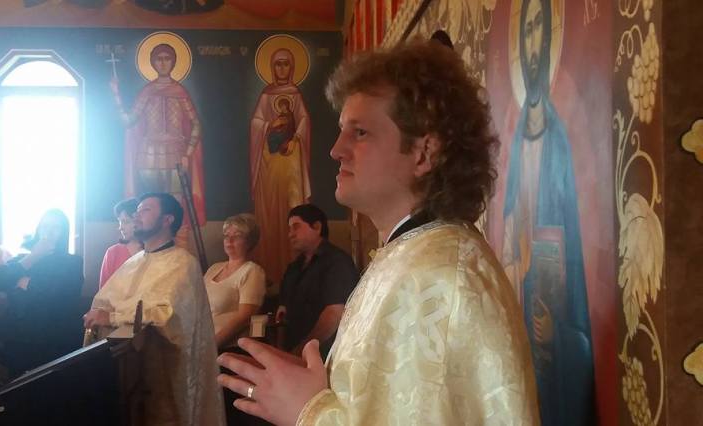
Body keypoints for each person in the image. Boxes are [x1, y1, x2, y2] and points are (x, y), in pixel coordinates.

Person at [217, 40, 539, 425]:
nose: (336, 150)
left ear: (423, 153)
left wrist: (308, 411)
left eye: (360, 132)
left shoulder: (435, 278)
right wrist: (317, 384)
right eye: (342, 130)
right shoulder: (412, 255)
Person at [501, 0, 593, 423]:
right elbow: (509, 237)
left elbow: (574, 255)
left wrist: (561, 330)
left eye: (541, 27)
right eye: (528, 30)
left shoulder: (558, 141)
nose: (534, 41)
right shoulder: (517, 142)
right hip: (523, 302)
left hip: (557, 314)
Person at [83, 193, 223, 426]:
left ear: (167, 219)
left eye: (145, 210)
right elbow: (103, 301)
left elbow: (168, 315)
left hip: (163, 374)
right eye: (137, 210)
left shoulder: (183, 263)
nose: (137, 215)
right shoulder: (133, 262)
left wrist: (112, 317)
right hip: (123, 371)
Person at [111, 43, 206, 248]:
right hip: (148, 155)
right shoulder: (147, 91)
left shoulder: (179, 91)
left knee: (175, 206)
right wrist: (116, 95)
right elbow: (128, 120)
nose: (163, 63)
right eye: (159, 59)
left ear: (174, 62)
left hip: (176, 152)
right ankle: (154, 251)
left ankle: (179, 253)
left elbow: (196, 124)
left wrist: (188, 153)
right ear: (153, 63)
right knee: (151, 208)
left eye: (167, 58)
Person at [0, 209, 84, 377]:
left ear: (64, 232)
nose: (49, 232)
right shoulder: (23, 259)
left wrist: (25, 282)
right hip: (19, 338)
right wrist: (34, 256)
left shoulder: (73, 262)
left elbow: (58, 296)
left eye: (55, 227)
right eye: (45, 226)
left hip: (55, 337)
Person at [250, 47, 311, 287]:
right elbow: (256, 123)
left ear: (292, 67)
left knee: (292, 206)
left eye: (286, 64)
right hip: (268, 162)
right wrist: (269, 125)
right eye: (278, 64)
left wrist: (295, 138)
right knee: (270, 213)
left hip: (291, 159)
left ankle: (295, 267)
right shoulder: (266, 95)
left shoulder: (296, 94)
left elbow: (304, 121)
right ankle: (271, 270)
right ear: (272, 68)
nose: (282, 68)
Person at [275, 204, 358, 358]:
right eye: (289, 229)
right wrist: (281, 352)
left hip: (325, 357)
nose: (290, 234)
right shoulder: (294, 267)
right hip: (292, 354)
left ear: (317, 227)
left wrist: (301, 351)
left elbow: (334, 314)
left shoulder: (337, 262)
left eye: (296, 227)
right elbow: (282, 313)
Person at [204, 213, 266, 351]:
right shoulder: (213, 268)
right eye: (226, 235)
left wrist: (212, 345)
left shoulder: (252, 271)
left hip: (229, 348)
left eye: (237, 236)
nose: (229, 240)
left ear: (249, 241)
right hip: (203, 343)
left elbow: (244, 317)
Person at [99, 198, 143, 289]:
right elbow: (103, 290)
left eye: (126, 222)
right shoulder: (113, 252)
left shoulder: (152, 250)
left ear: (140, 221)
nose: (121, 227)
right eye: (120, 222)